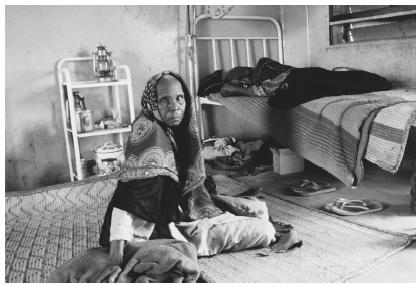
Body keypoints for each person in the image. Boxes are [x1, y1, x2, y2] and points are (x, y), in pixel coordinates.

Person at [97, 71, 222, 282]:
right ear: (152, 103)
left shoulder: (171, 129)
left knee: (249, 213)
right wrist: (115, 257)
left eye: (179, 98)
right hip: (144, 232)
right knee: (257, 230)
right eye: (164, 100)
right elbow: (127, 199)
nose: (175, 106)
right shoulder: (150, 132)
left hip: (170, 214)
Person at [219, 57, 392, 108]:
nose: (244, 85)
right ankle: (379, 82)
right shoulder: (261, 74)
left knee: (340, 83)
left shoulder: (263, 67)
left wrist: (233, 88)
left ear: (244, 74)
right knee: (338, 84)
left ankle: (380, 83)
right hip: (304, 78)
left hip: (301, 78)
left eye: (241, 82)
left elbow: (260, 91)